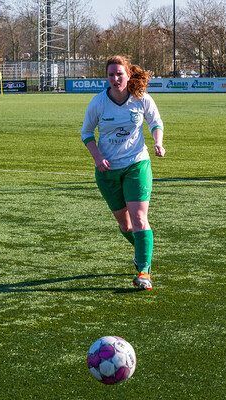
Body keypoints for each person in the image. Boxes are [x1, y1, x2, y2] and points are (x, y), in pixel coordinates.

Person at [81, 55, 165, 291]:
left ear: (128, 75)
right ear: (106, 77)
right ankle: (142, 252)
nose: (115, 78)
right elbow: (86, 133)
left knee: (139, 218)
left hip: (137, 164)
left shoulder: (141, 99)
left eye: (119, 74)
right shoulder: (98, 103)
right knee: (125, 225)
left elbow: (155, 123)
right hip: (107, 170)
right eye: (111, 75)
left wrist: (158, 142)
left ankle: (144, 271)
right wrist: (98, 157)